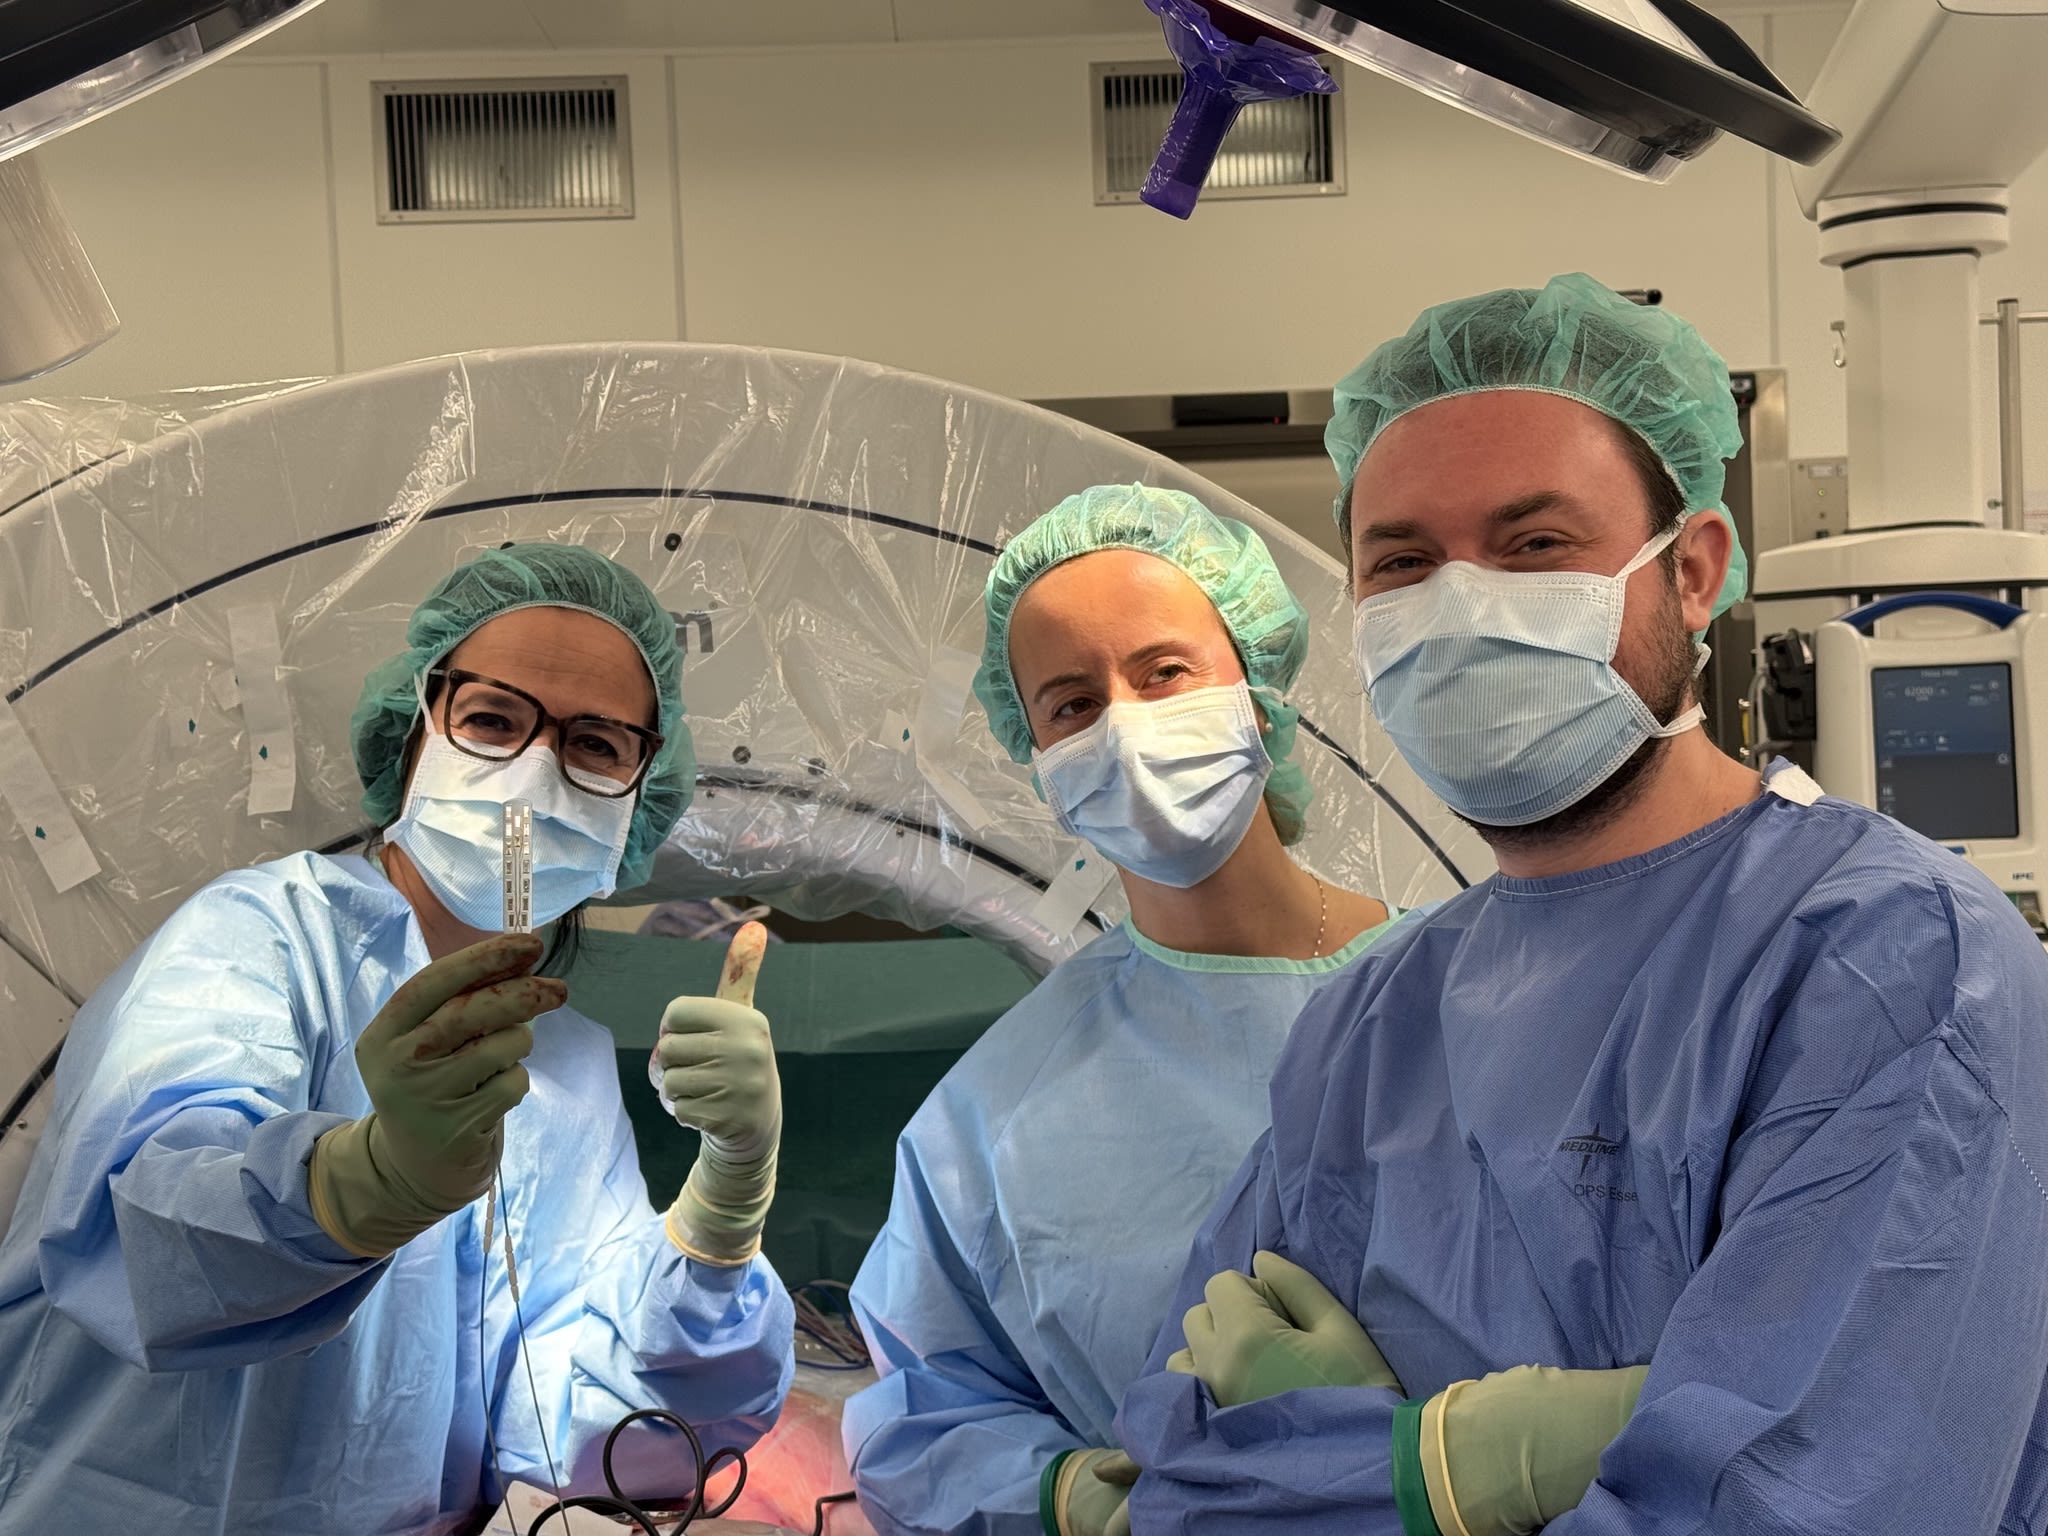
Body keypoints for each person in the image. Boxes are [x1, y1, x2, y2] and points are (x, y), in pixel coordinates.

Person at [1119, 273, 2048, 1535]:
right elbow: (1180, 1476)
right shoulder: (1370, 1023)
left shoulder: (1888, 961)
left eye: (1533, 546)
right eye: (1401, 561)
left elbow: (1816, 1497)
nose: (1459, 603)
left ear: (1695, 569)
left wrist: (1383, 1466)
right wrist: (1464, 1472)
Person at [0, 543, 795, 1534]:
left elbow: (588, 1429)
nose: (533, 772)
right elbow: (143, 1231)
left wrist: (721, 1215)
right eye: (493, 720)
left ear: (644, 792)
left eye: (595, 745)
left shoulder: (567, 1066)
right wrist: (366, 1181)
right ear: (413, 732)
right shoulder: (260, 938)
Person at [842, 484, 1411, 1536]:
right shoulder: (993, 1113)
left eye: (1163, 674)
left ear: (1259, 688)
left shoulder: (1457, 989)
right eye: (1071, 703)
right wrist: (1063, 1497)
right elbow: (924, 1417)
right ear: (1039, 758)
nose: (1128, 725)